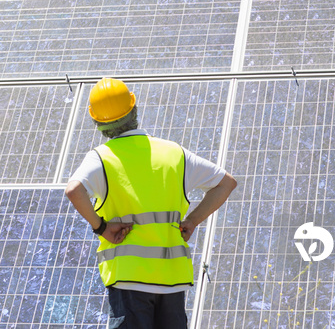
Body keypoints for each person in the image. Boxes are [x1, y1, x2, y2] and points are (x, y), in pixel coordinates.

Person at [65, 77, 237, 329]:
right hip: (172, 280)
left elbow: (74, 190)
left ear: (97, 122)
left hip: (128, 280)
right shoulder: (174, 153)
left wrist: (101, 227)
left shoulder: (101, 158)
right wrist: (192, 221)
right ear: (134, 109)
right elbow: (226, 183)